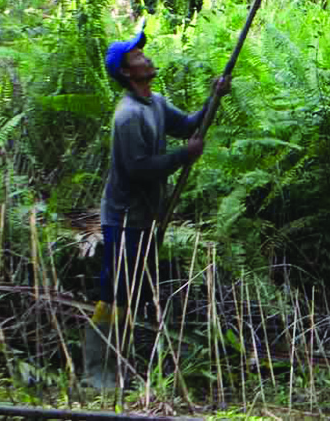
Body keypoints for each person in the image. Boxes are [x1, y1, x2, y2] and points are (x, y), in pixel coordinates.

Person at [83, 24, 229, 391]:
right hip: (124, 217)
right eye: (137, 56)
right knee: (116, 291)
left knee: (138, 291)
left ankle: (127, 364)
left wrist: (214, 98)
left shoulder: (156, 103)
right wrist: (182, 156)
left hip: (147, 217)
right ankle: (98, 372)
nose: (145, 57)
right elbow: (138, 169)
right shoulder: (128, 115)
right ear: (126, 72)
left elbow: (188, 125)